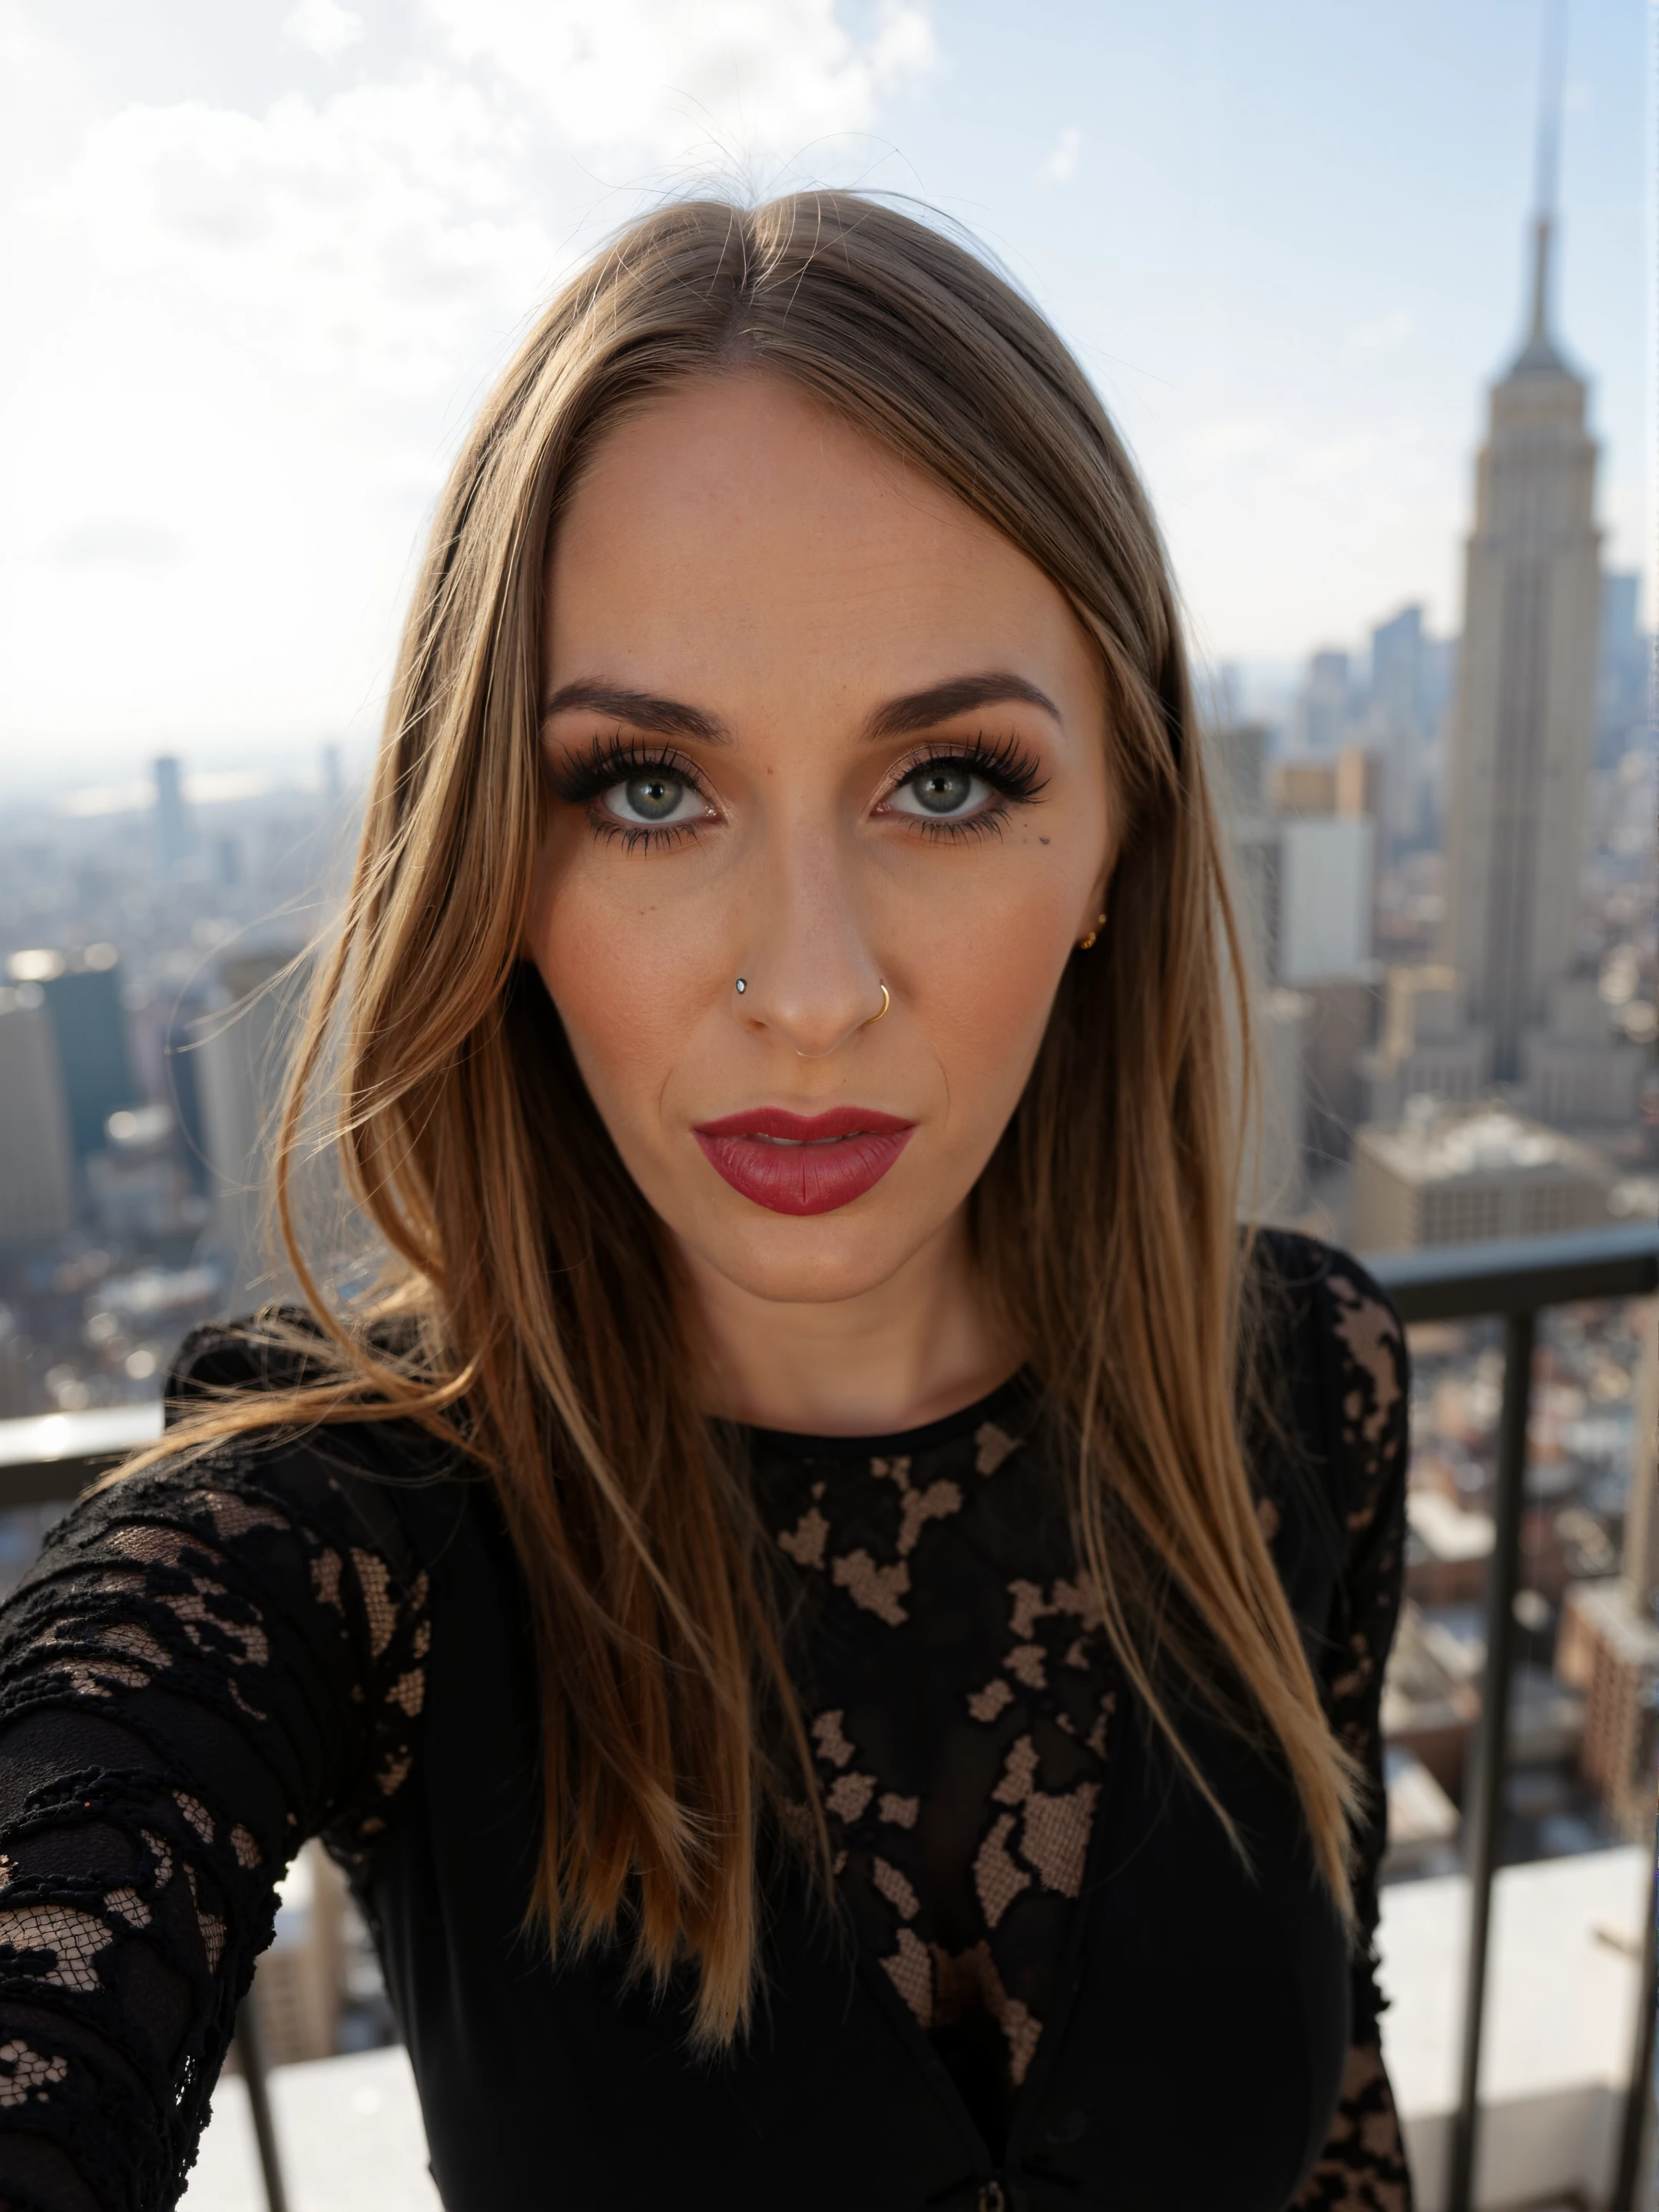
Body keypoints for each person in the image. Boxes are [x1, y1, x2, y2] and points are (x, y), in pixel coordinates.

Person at [0, 194, 1412, 2212]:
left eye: (950, 782)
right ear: (496, 853)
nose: (814, 990)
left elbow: (1334, 2097)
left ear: (1118, 833)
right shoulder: (345, 1531)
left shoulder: (1312, 1391)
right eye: (649, 790)